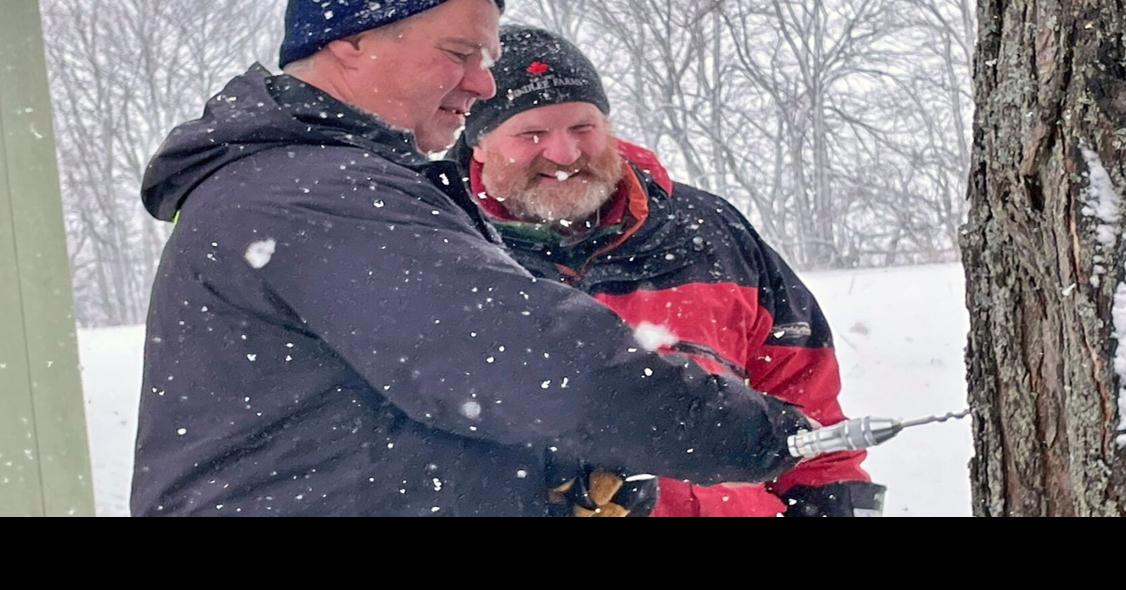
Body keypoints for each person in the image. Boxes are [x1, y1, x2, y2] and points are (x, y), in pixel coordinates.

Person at [132, 0, 815, 516]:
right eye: (460, 53)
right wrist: (765, 437)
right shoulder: (314, 194)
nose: (483, 85)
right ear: (348, 42)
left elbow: (395, 413)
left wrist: (550, 473)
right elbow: (536, 364)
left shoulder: (322, 182)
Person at [450, 25, 885, 517]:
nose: (565, 155)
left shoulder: (711, 231)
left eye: (582, 128)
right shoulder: (442, 249)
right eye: (532, 134)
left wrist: (834, 499)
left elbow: (804, 392)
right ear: (480, 144)